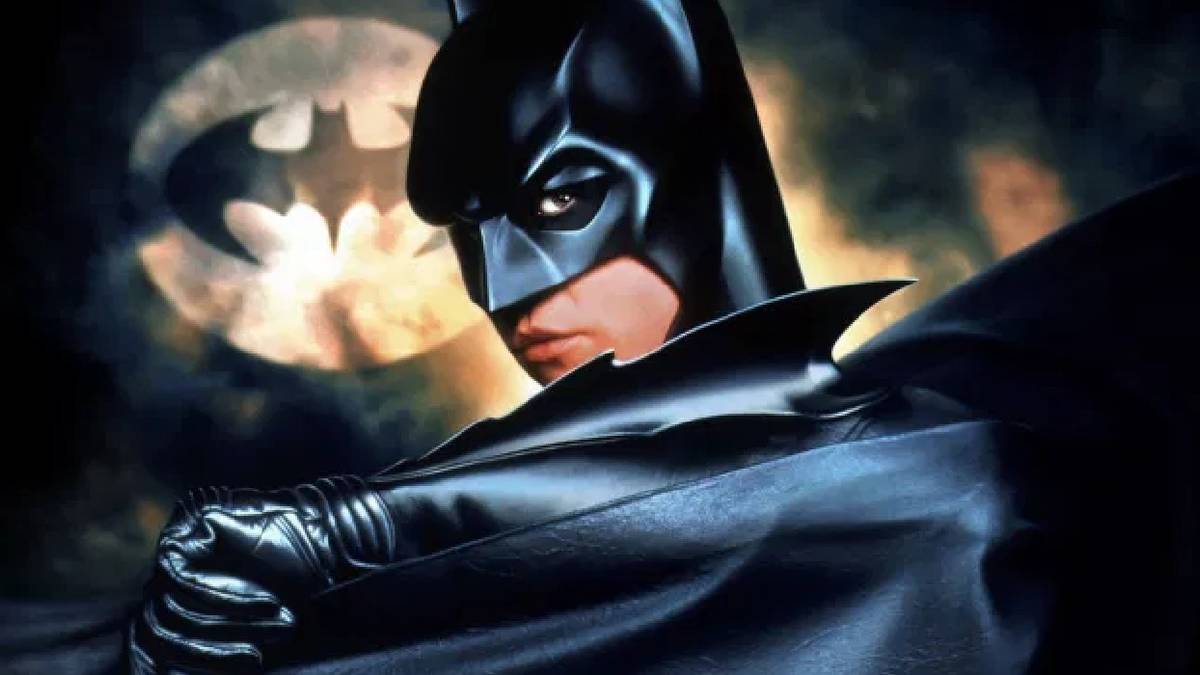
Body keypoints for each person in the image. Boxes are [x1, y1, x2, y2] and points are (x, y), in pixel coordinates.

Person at [129, 1, 1197, 673]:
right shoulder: (529, 541)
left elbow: (813, 485)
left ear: (690, 183)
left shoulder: (949, 488)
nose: (507, 294)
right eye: (466, 232)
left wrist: (362, 529)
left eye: (561, 201)